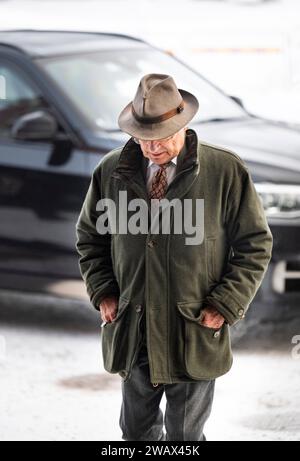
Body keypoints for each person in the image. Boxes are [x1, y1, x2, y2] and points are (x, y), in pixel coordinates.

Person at [75, 73, 273, 441]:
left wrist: (226, 304)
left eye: (161, 138)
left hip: (193, 328)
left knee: (184, 436)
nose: (152, 149)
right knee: (134, 434)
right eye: (142, 139)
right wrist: (103, 290)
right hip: (133, 329)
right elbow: (90, 238)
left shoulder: (225, 171)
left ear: (183, 124)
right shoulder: (111, 171)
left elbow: (255, 244)